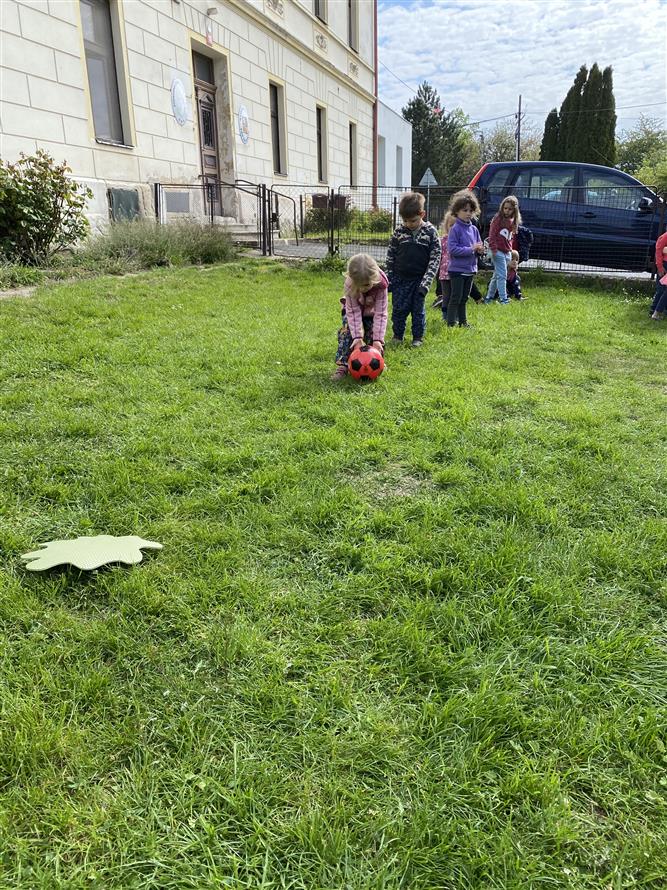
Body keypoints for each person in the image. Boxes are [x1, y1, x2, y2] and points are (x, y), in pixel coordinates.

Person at [386, 191, 441, 347]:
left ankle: (418, 337)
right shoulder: (398, 232)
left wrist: (426, 283)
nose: (409, 224)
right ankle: (398, 335)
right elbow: (390, 256)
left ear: (422, 214)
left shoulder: (430, 232)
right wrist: (390, 278)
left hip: (419, 280)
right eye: (405, 221)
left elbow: (435, 259)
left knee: (418, 311)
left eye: (413, 220)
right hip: (400, 279)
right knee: (398, 309)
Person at [332, 254, 388, 379]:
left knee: (374, 334)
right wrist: (357, 337)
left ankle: (377, 361)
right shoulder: (350, 284)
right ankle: (343, 364)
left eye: (367, 285)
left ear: (374, 278)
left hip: (371, 312)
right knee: (347, 333)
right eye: (360, 285)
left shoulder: (381, 284)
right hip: (351, 313)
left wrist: (378, 340)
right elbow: (353, 312)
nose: (363, 289)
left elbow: (381, 313)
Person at [445, 189, 485, 328]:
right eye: (465, 210)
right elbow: (453, 250)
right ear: (456, 211)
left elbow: (478, 245)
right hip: (457, 270)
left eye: (471, 210)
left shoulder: (474, 229)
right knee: (455, 297)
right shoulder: (455, 229)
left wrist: (480, 250)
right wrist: (471, 249)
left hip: (470, 269)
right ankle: (451, 323)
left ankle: (463, 322)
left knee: (464, 298)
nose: (468, 213)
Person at [484, 196, 522, 305]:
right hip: (498, 251)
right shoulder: (498, 219)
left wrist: (510, 250)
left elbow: (510, 238)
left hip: (507, 252)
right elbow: (492, 234)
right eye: (505, 208)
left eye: (510, 209)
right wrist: (494, 249)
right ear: (502, 208)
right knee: (502, 276)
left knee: (496, 276)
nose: (507, 211)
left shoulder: (513, 221)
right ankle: (503, 299)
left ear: (514, 210)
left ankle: (489, 297)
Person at [649, 232, 667, 321]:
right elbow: (659, 250)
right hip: (665, 265)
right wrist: (660, 267)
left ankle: (659, 311)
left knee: (663, 290)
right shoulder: (664, 236)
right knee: (661, 289)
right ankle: (654, 310)